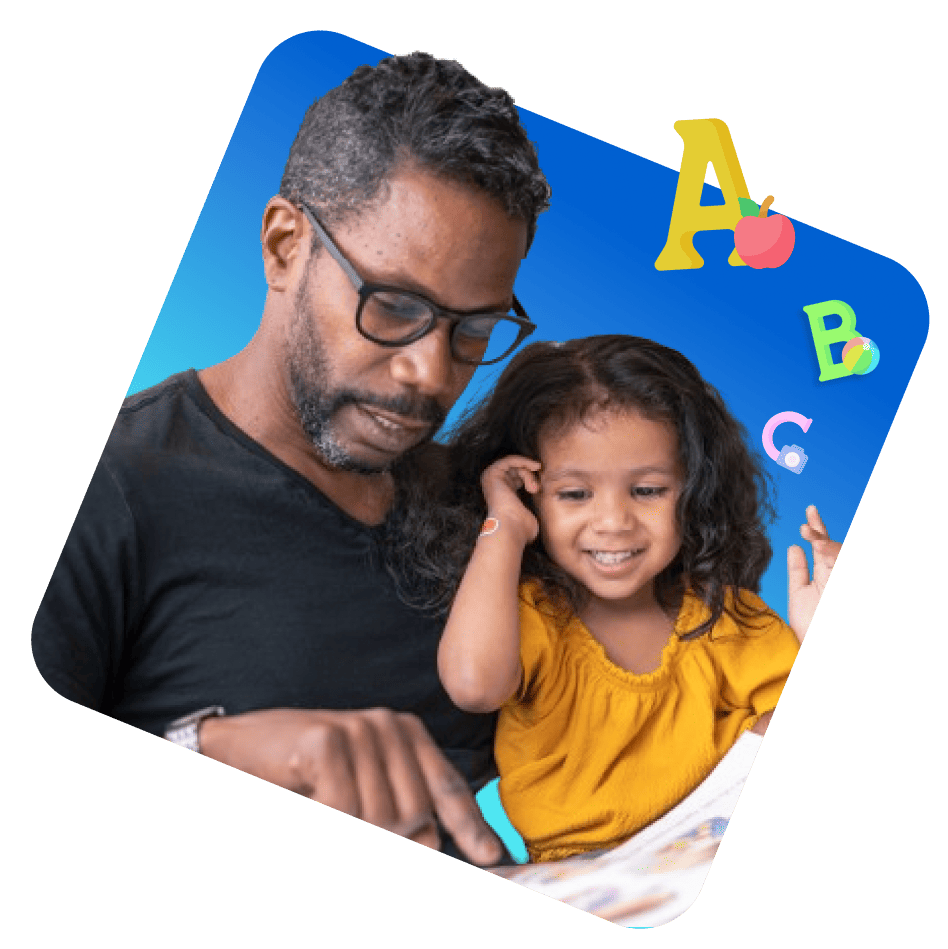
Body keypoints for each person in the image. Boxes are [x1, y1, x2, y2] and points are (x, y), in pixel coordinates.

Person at [31, 52, 550, 865]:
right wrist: (209, 750)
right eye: (395, 306)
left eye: (474, 329)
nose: (432, 372)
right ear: (283, 246)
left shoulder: (485, 508)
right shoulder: (107, 488)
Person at [415, 335, 842, 862]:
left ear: (695, 493)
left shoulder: (721, 615)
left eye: (647, 491)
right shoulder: (531, 614)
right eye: (574, 494)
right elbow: (474, 687)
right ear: (531, 496)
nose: (614, 522)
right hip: (583, 877)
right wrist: (502, 527)